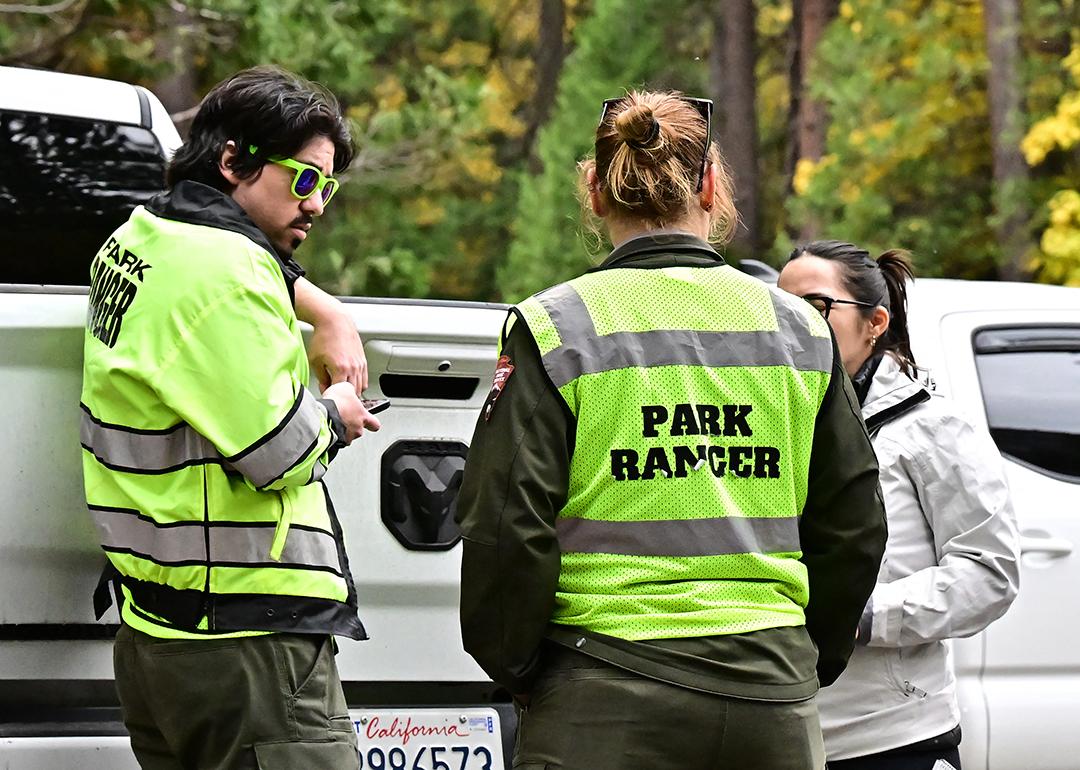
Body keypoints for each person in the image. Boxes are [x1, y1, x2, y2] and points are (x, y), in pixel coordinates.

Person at [456, 90, 888, 770]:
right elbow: (854, 522)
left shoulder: (557, 326)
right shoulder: (801, 330)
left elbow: (505, 522)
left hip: (601, 695)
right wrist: (805, 658)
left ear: (595, 192)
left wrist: (521, 668)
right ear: (711, 186)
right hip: (770, 701)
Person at [80, 65, 382, 770]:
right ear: (233, 161)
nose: (318, 204)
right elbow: (278, 452)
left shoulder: (139, 238)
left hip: (158, 633)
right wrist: (336, 412)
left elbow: (233, 251)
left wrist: (326, 308)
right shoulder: (229, 274)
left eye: (328, 186)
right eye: (305, 180)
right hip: (248, 642)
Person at [777, 241, 1021, 770]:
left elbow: (988, 573)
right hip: (784, 734)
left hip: (893, 736)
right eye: (781, 308)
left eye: (817, 307)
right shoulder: (767, 426)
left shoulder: (932, 426)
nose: (793, 324)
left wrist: (858, 616)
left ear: (875, 322)